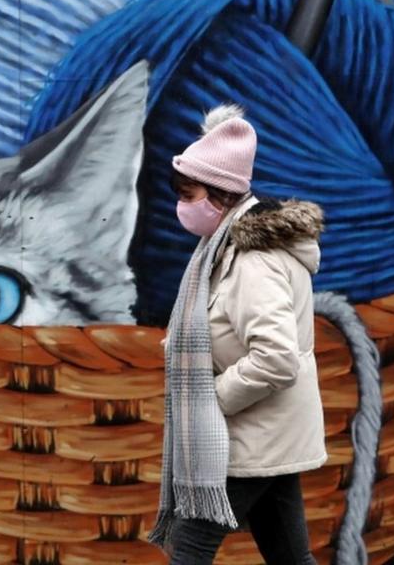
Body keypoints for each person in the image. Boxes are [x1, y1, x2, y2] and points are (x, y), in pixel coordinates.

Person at [148, 105, 327, 565]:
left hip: (252, 434)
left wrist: (211, 399)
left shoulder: (253, 262)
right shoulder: (226, 252)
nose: (182, 207)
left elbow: (276, 358)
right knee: (290, 556)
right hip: (266, 434)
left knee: (187, 548)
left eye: (190, 195)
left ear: (221, 197)